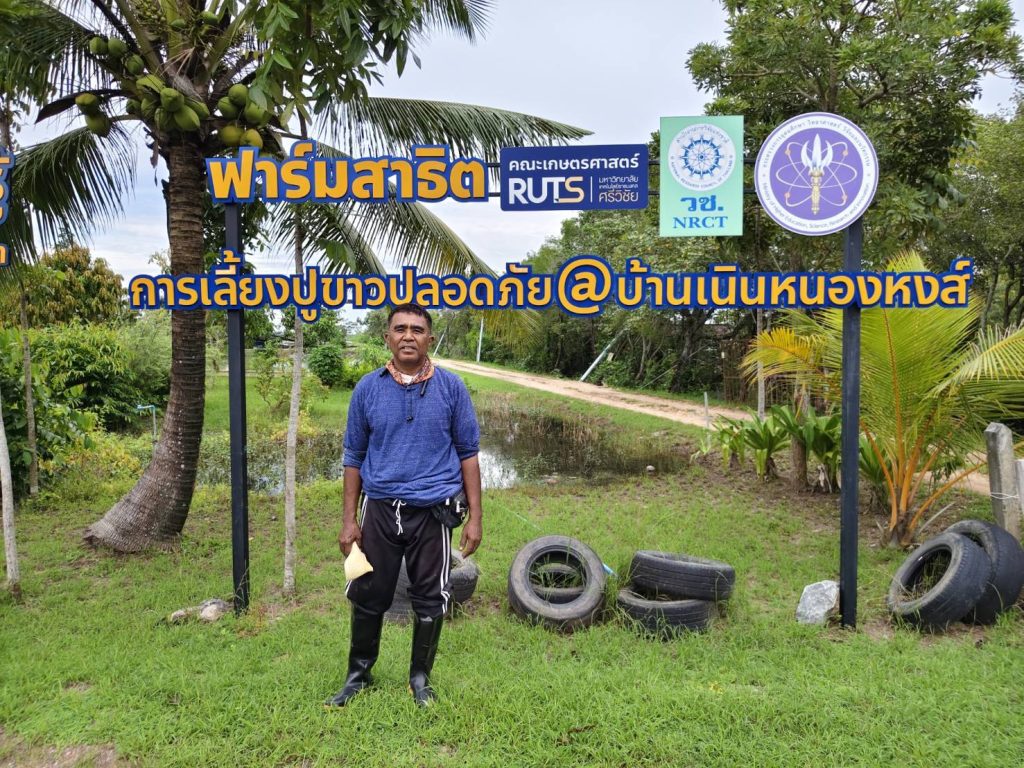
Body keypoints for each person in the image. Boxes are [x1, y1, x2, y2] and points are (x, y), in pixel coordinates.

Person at [326, 303, 483, 708]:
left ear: (430, 338)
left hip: (433, 512)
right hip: (379, 509)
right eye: (400, 329)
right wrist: (349, 520)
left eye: (417, 329)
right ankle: (358, 675)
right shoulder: (367, 388)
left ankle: (420, 680)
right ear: (387, 338)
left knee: (431, 598)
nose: (408, 336)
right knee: (367, 592)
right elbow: (353, 456)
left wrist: (476, 518)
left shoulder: (452, 388)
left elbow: (468, 453)